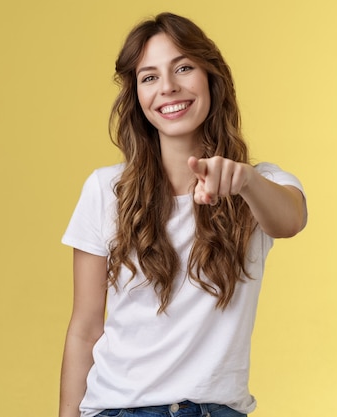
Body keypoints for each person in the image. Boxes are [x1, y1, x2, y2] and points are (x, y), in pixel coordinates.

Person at [59, 12, 307, 417]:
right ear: (137, 96)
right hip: (119, 411)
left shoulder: (258, 184)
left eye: (184, 68)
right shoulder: (105, 190)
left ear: (212, 77)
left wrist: (243, 182)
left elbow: (290, 220)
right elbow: (85, 328)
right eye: (149, 77)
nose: (168, 87)